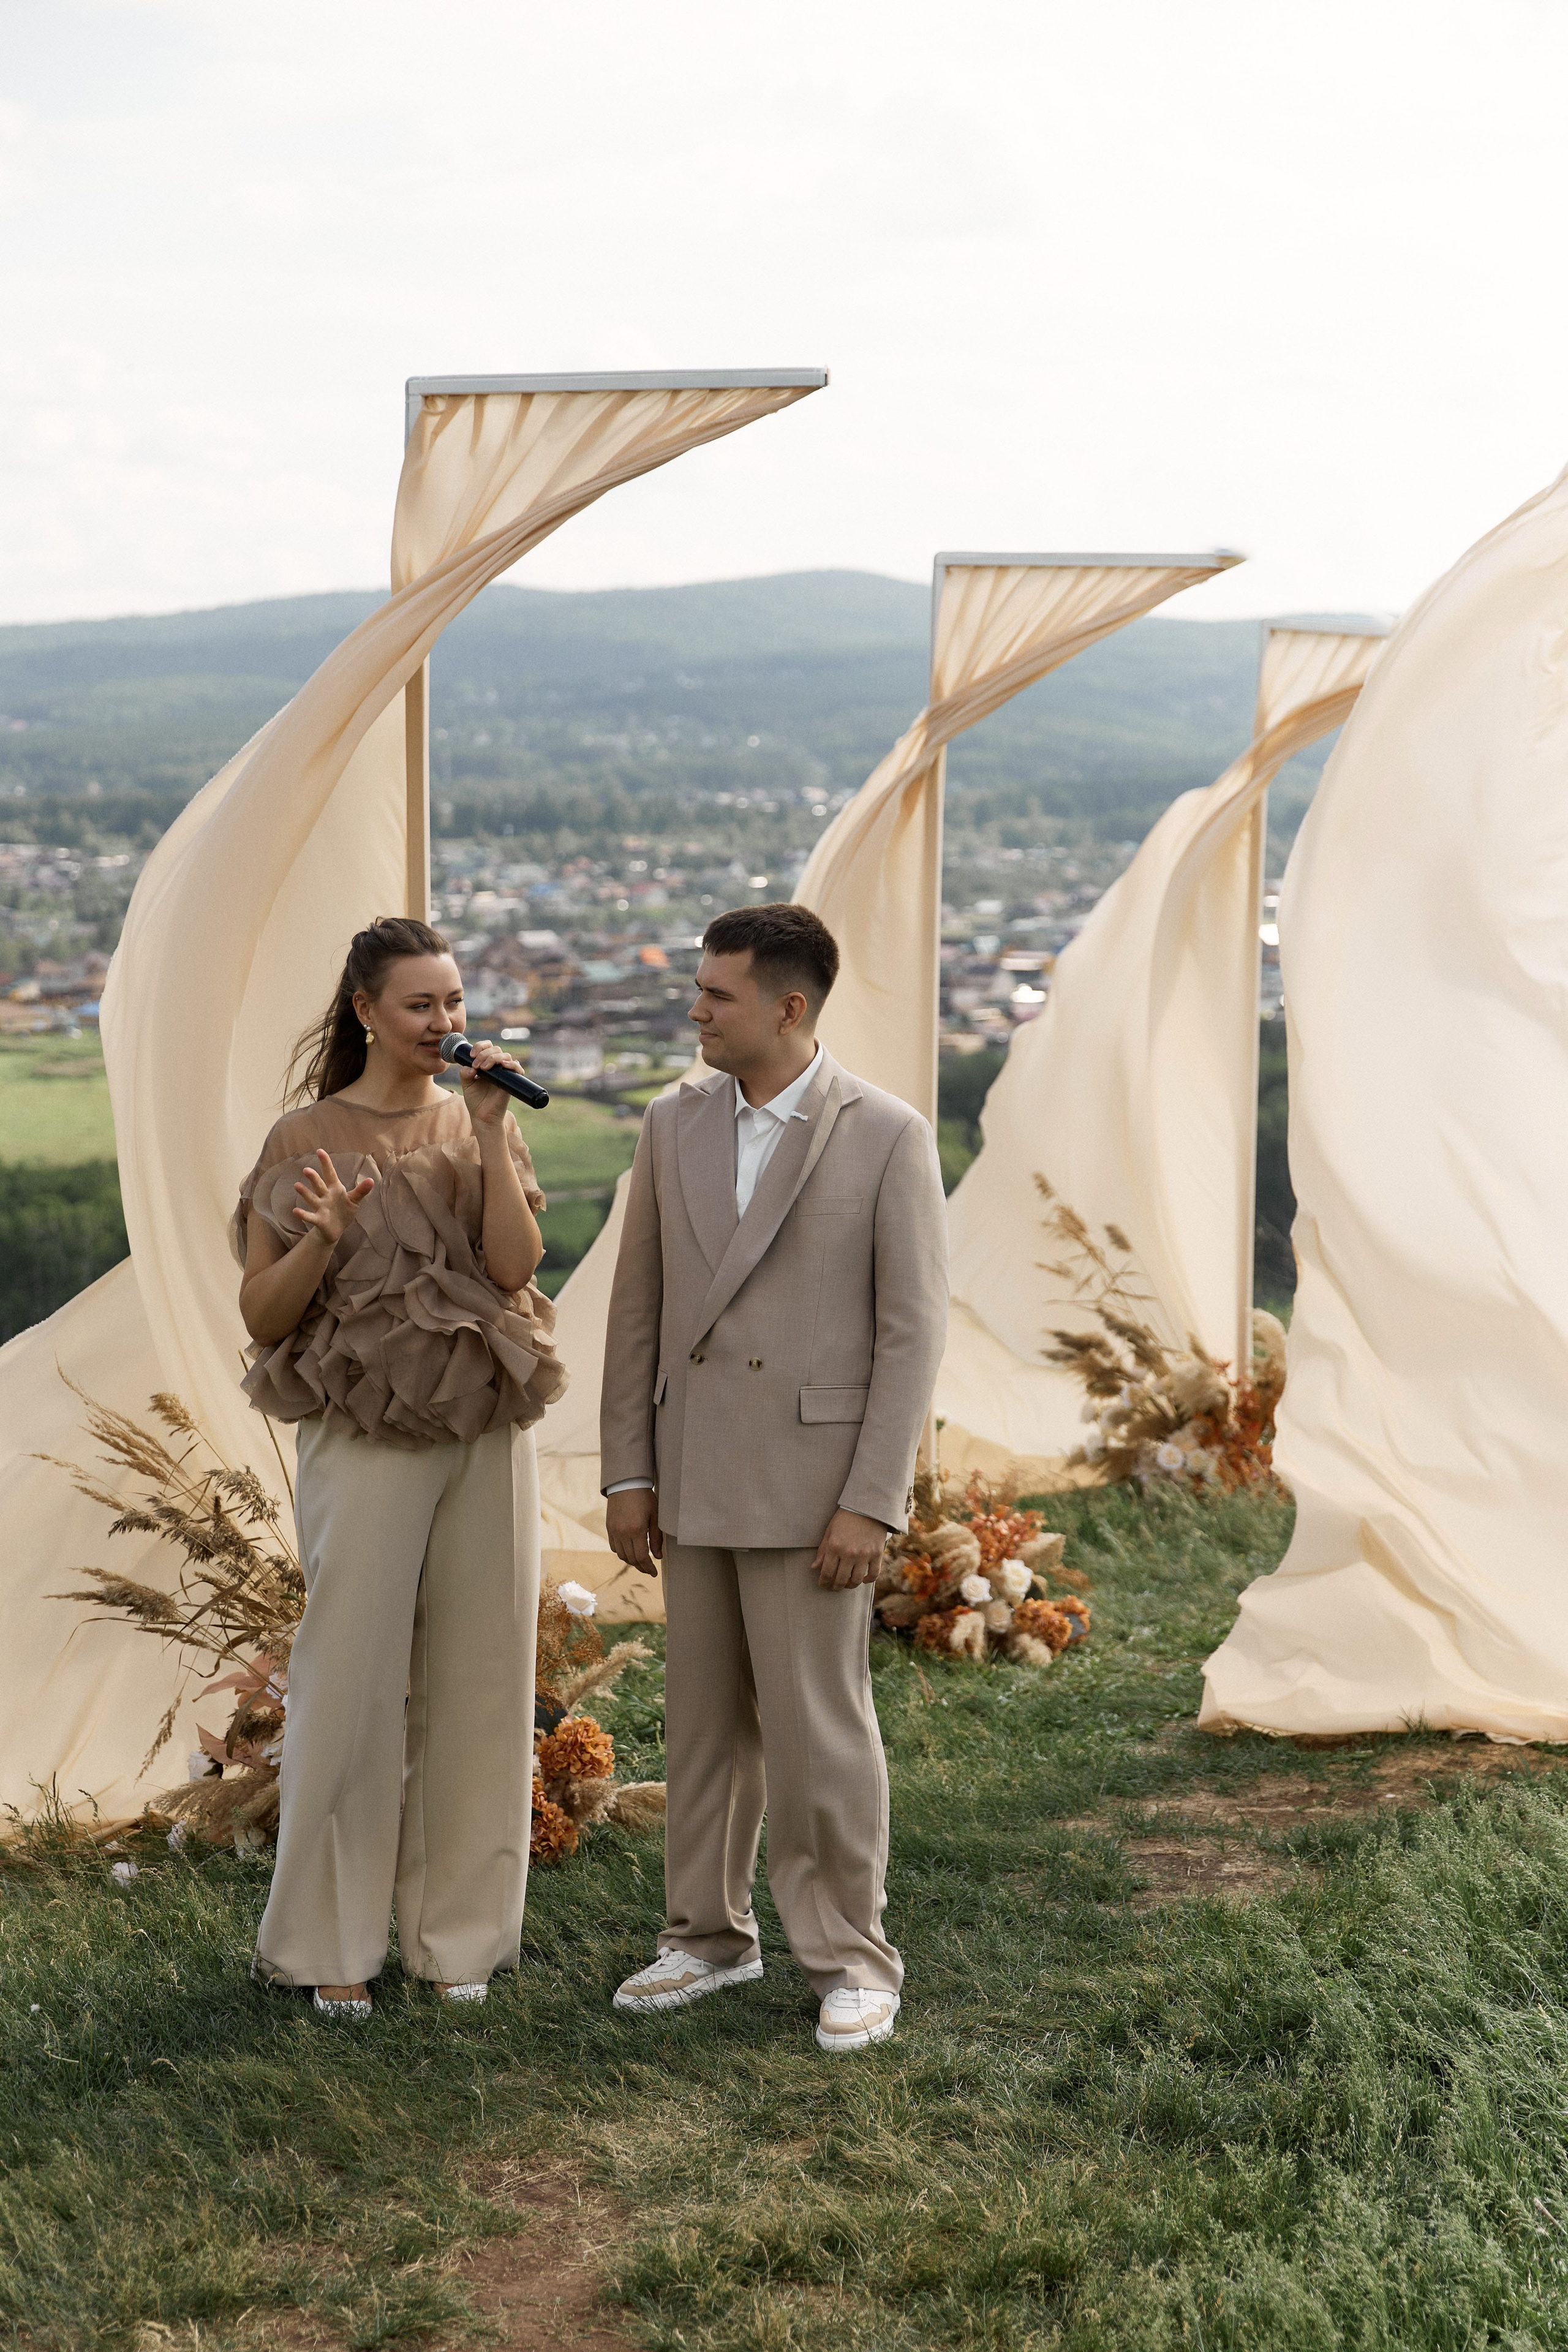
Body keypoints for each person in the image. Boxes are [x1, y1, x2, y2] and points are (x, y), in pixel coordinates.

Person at [600, 902, 948, 2053]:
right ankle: (706, 1937)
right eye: (699, 989)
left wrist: (872, 1500)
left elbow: (911, 1334)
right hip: (693, 1470)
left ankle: (853, 1959)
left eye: (717, 993)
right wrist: (628, 1471)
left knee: (816, 1734)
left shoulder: (887, 1134)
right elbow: (638, 1310)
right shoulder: (671, 1122)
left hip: (816, 1487)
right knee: (702, 1726)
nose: (695, 1009)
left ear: (788, 1007)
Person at [235, 916, 565, 2020]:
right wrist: (323, 1239)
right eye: (421, 1004)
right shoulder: (304, 1138)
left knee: (483, 1676)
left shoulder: (479, 1118)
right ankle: (330, 1944)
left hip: (484, 1426)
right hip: (362, 1432)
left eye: (455, 1002)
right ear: (366, 1011)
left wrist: (489, 1135)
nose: (445, 1022)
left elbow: (513, 1270)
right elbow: (264, 1317)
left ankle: (458, 1939)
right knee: (351, 1680)